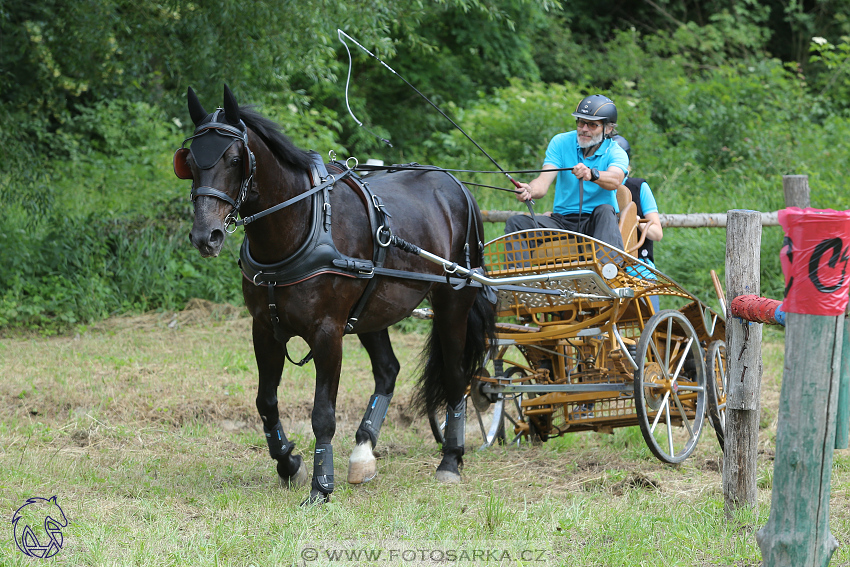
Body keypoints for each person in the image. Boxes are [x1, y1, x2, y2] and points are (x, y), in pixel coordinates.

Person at [505, 94, 629, 249]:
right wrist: (529, 190)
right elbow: (543, 183)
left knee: (605, 210)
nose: (584, 129)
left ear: (608, 129)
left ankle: (608, 269)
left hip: (596, 223)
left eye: (592, 125)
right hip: (562, 221)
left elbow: (616, 180)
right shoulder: (560, 142)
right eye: (581, 122)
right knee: (516, 223)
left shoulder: (616, 152)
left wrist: (592, 174)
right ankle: (521, 273)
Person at [612, 135, 664, 312]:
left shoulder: (638, 187)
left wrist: (636, 223)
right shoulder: (595, 187)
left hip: (639, 266)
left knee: (650, 319)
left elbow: (657, 233)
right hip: (606, 269)